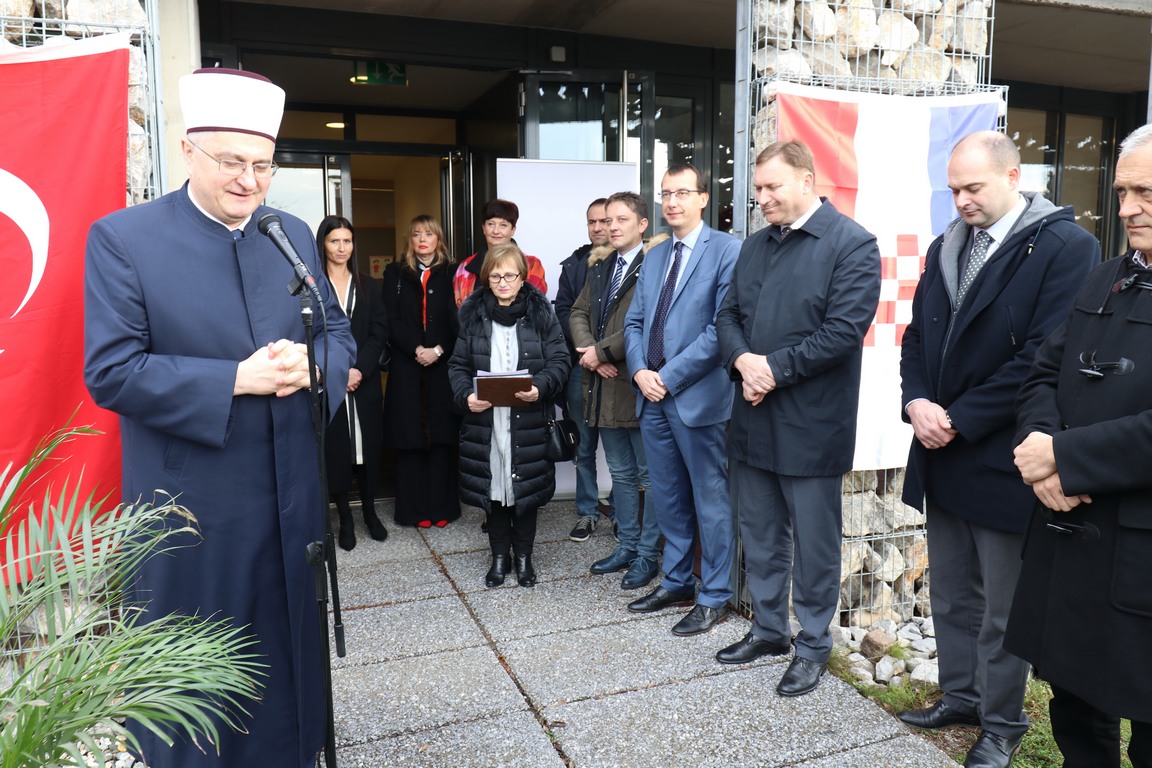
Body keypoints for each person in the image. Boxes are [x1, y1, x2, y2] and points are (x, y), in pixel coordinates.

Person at [83, 69, 354, 767]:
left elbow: (336, 331)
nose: (248, 181)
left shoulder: (288, 230)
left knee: (287, 656)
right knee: (198, 666)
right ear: (187, 150)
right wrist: (236, 379)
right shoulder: (123, 238)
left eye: (262, 165)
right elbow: (112, 371)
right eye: (232, 162)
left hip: (291, 490)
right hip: (195, 502)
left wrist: (315, 367)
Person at [897, 131, 1098, 768]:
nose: (961, 201)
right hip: (941, 451)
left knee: (1002, 606)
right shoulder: (947, 245)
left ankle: (1003, 721)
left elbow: (1043, 359)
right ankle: (961, 697)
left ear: (1014, 177)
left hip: (1004, 456)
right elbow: (916, 338)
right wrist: (916, 402)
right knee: (952, 595)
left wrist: (957, 418)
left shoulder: (1066, 247)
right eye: (953, 189)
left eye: (973, 187)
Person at [1007, 122, 1152, 768]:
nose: (1126, 209)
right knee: (1076, 716)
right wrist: (1040, 447)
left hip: (1141, 560)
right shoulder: (1104, 278)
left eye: (1146, 193)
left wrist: (1065, 459)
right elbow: (1043, 373)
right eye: (1121, 192)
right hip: (1070, 544)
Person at [715, 141, 880, 698]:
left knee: (814, 544)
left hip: (811, 424)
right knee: (760, 534)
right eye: (758, 189)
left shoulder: (851, 244)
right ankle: (768, 630)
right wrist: (743, 362)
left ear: (807, 181)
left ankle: (812, 645)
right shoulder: (755, 244)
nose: (761, 198)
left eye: (772, 187)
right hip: (752, 417)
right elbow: (728, 314)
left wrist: (771, 371)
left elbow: (843, 332)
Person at [623, 163, 740, 636]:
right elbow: (634, 322)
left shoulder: (727, 250)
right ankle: (675, 582)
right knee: (668, 496)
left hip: (697, 398)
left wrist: (667, 377)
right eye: (666, 193)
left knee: (710, 499)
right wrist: (639, 371)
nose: (672, 202)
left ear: (703, 198)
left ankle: (714, 595)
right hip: (650, 395)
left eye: (682, 193)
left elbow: (722, 328)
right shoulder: (654, 256)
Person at [449, 243, 570, 588]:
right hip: (486, 422)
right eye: (496, 276)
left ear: (522, 278)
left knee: (524, 492)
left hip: (527, 421)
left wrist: (540, 387)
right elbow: (457, 365)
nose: (503, 283)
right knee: (495, 490)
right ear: (486, 278)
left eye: (510, 276)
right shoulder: (473, 316)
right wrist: (466, 396)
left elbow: (560, 361)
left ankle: (524, 558)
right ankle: (500, 558)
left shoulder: (541, 315)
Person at [571, 192, 662, 589]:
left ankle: (648, 554)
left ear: (642, 224)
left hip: (637, 386)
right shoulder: (601, 265)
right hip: (603, 387)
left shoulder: (656, 265)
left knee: (650, 477)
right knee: (621, 474)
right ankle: (626, 545)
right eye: (608, 220)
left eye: (621, 219)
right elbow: (578, 312)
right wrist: (591, 353)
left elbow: (649, 323)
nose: (611, 226)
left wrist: (600, 352)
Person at [382, 215, 461, 528]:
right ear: (410, 240)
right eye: (417, 234)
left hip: (443, 368)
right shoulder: (395, 272)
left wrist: (439, 350)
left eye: (429, 234)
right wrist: (416, 348)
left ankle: (443, 508)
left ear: (438, 238)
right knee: (410, 440)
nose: (423, 240)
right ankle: (413, 510)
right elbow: (389, 318)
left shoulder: (454, 272)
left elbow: (459, 320)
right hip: (407, 365)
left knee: (442, 440)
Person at [317, 215, 390, 551]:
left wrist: (359, 369)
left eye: (347, 241)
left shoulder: (368, 285)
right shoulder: (314, 287)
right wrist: (338, 371)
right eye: (335, 241)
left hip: (364, 382)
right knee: (337, 451)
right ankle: (345, 517)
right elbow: (310, 335)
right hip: (330, 383)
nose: (341, 248)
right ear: (323, 244)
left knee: (367, 448)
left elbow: (378, 332)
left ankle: (370, 512)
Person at [555, 198, 612, 542]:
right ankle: (588, 512)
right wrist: (589, 349)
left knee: (621, 448)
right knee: (584, 444)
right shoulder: (574, 265)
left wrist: (606, 352)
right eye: (592, 222)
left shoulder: (633, 261)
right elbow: (563, 310)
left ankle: (621, 513)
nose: (598, 227)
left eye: (604, 220)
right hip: (581, 365)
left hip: (620, 367)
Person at [453, 198, 547, 308]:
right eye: (491, 224)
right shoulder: (465, 267)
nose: (496, 231)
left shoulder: (532, 265)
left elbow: (535, 307)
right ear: (483, 228)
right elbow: (459, 311)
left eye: (503, 225)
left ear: (513, 230)